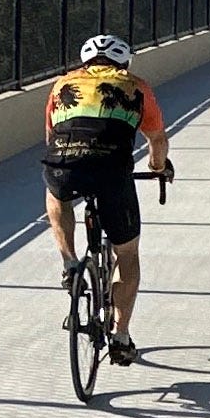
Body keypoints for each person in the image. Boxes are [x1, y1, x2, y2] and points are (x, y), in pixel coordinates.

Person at [42, 34, 171, 366]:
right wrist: (158, 167)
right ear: (124, 62)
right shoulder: (136, 86)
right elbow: (157, 139)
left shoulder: (62, 85)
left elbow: (51, 136)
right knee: (126, 253)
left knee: (55, 192)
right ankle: (121, 337)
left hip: (65, 164)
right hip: (111, 172)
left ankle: (70, 262)